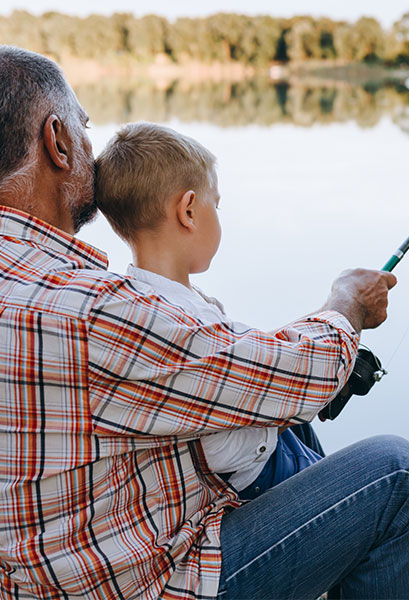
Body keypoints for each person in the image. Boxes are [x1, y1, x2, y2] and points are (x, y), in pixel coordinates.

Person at [0, 45, 409, 599]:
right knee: (399, 478)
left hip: (53, 568)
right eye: (84, 128)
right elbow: (295, 372)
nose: (92, 148)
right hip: (143, 583)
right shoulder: (87, 309)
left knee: (283, 420)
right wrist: (346, 305)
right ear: (58, 142)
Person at [94, 121, 323, 500]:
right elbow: (214, 447)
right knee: (392, 478)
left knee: (300, 424)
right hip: (257, 478)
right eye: (214, 204)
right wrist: (272, 414)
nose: (218, 216)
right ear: (188, 211)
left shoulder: (141, 302)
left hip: (262, 452)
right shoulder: (180, 320)